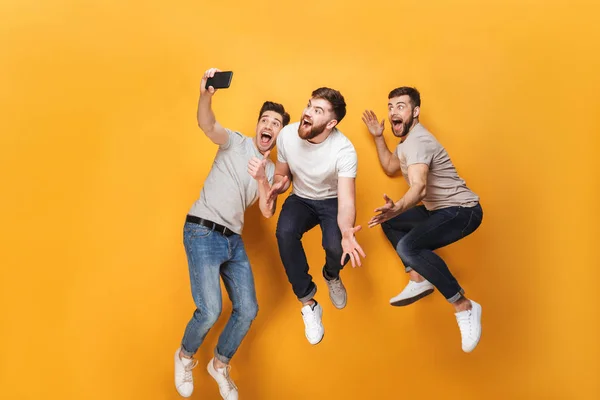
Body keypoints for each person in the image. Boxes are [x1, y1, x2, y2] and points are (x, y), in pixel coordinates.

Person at [174, 68, 290, 398]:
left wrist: (262, 179)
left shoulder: (270, 171)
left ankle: (220, 364)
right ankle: (184, 357)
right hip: (202, 230)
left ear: (279, 135)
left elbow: (267, 210)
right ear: (258, 125)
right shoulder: (235, 142)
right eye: (265, 120)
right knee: (210, 310)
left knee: (249, 309)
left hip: (232, 241)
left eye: (276, 123)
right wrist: (206, 96)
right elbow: (207, 125)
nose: (269, 125)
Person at [362, 86, 483, 353]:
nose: (394, 111)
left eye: (401, 106)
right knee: (390, 223)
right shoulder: (407, 142)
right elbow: (391, 167)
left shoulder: (418, 142)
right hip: (439, 210)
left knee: (408, 246)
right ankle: (419, 278)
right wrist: (379, 138)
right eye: (391, 106)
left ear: (415, 112)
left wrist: (398, 207)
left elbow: (419, 188)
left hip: (463, 211)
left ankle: (464, 306)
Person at [267, 87, 366, 345]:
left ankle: (332, 275)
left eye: (317, 111)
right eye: (309, 105)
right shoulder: (287, 135)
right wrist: (279, 184)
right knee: (285, 232)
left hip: (331, 201)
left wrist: (346, 231)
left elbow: (346, 202)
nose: (307, 113)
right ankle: (308, 302)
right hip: (301, 198)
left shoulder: (344, 151)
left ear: (331, 123)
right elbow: (282, 173)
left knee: (335, 247)